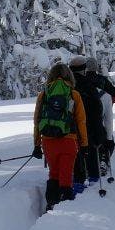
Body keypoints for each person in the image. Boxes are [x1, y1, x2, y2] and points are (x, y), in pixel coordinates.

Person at [31, 62, 88, 210]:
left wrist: (37, 144)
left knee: (54, 173)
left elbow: (37, 120)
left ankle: (51, 204)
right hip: (68, 140)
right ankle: (64, 207)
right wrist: (84, 144)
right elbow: (81, 121)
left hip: (48, 141)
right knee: (66, 174)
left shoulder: (44, 94)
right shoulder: (73, 94)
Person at [66, 56, 115, 193]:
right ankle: (93, 179)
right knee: (93, 149)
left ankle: (73, 182)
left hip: (69, 128)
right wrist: (105, 135)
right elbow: (100, 109)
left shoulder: (66, 84)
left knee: (76, 154)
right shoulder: (94, 83)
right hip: (90, 126)